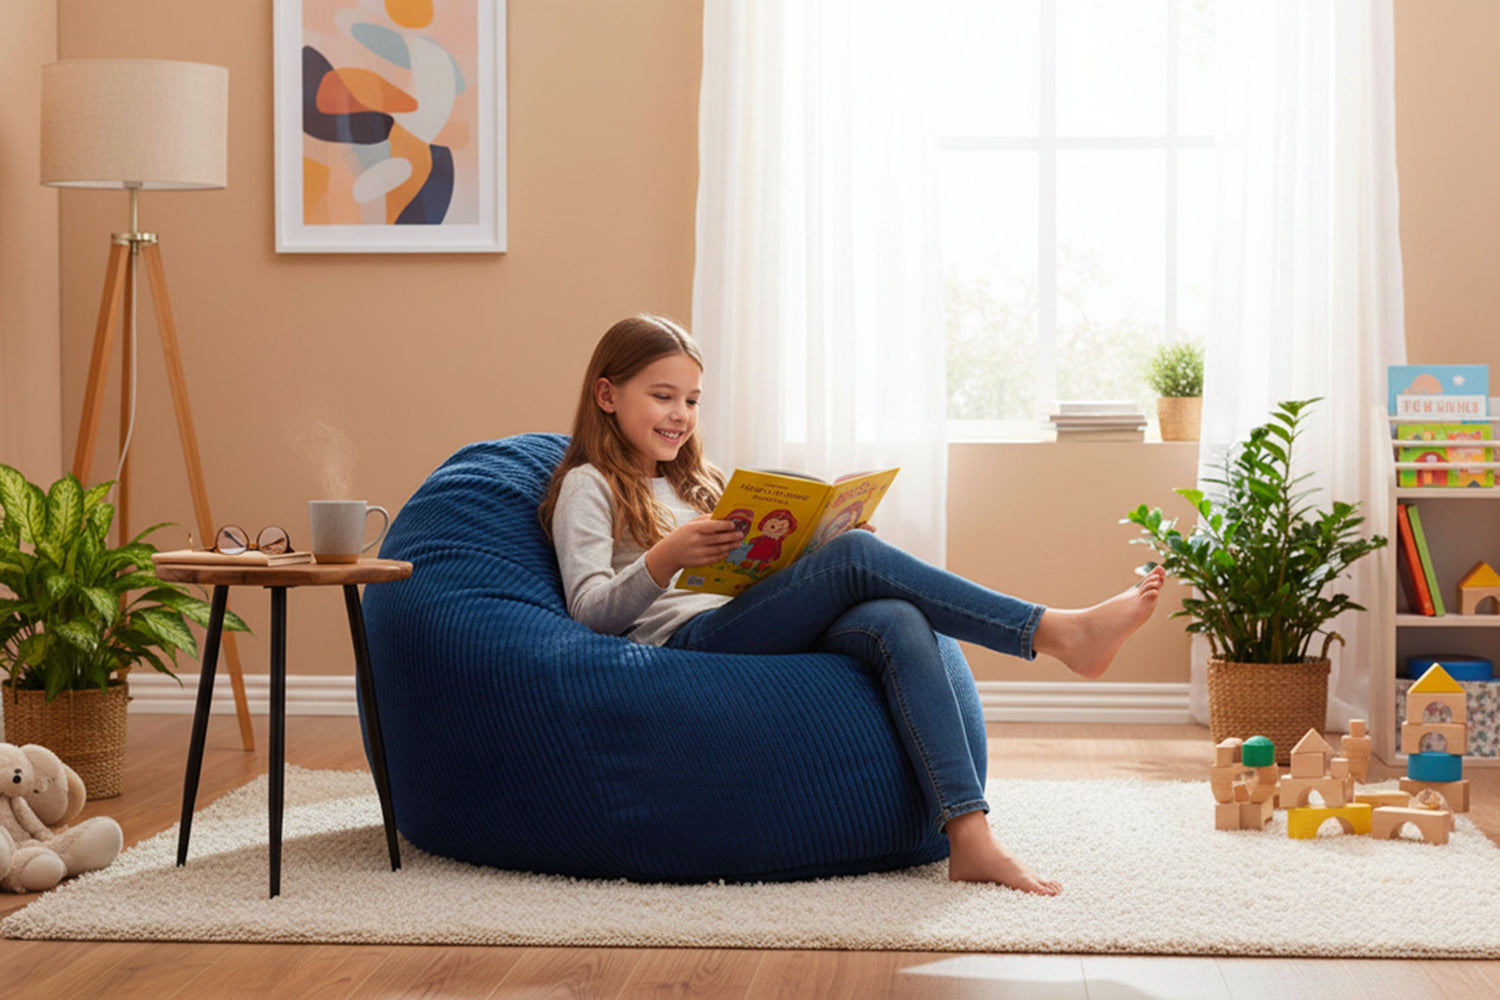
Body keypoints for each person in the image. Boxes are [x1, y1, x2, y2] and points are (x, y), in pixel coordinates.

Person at [539, 314, 1166, 896]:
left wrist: (805, 546)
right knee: (858, 560)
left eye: (692, 400)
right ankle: (1055, 633)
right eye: (662, 395)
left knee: (896, 617)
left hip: (745, 621)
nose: (680, 414)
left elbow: (744, 574)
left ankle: (970, 837)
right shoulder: (586, 486)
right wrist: (668, 554)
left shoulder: (693, 481)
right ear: (607, 395)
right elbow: (590, 610)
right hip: (688, 647)